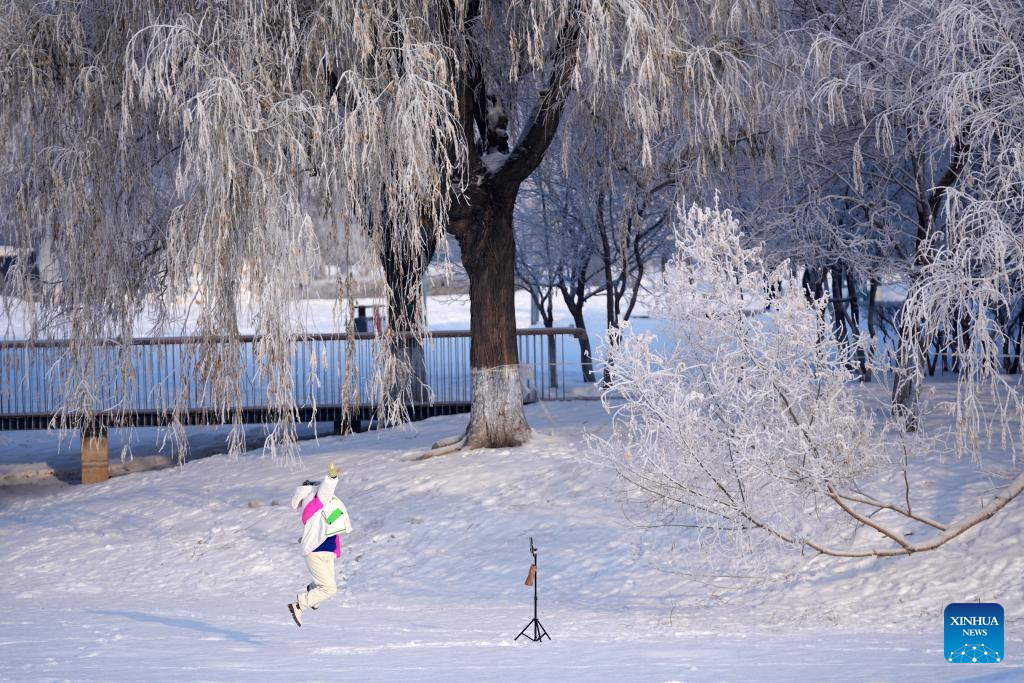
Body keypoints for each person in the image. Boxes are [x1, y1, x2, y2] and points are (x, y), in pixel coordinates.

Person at [287, 462, 352, 626]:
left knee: (326, 585)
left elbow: (323, 526)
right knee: (330, 589)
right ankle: (299, 604)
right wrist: (332, 477)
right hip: (316, 553)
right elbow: (327, 488)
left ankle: (312, 590)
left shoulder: (318, 509)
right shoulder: (318, 501)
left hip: (326, 552)